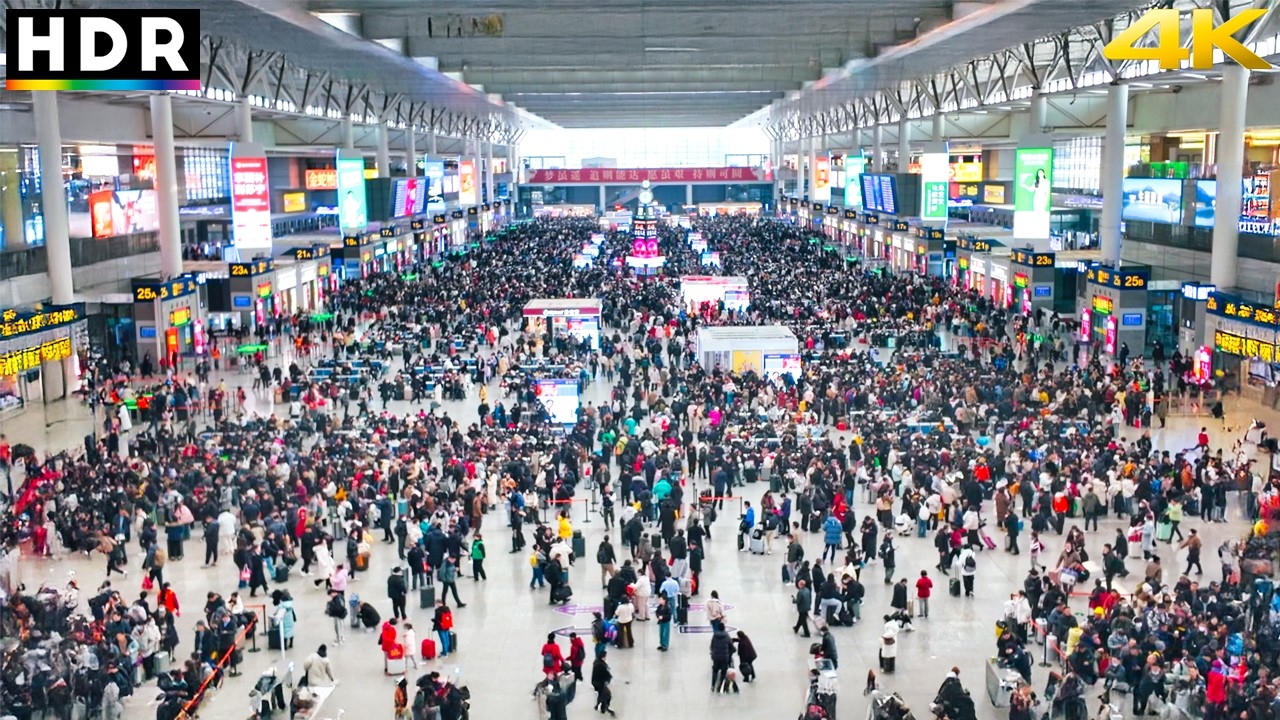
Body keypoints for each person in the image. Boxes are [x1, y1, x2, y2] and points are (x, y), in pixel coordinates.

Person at [709, 625, 736, 692]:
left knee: (715, 671)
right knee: (723, 672)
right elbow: (731, 646)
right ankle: (720, 686)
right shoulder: (727, 636)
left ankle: (712, 685)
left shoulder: (715, 636)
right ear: (724, 628)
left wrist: (713, 652)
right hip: (724, 658)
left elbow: (711, 646)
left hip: (716, 657)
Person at [592, 650, 616, 715]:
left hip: (596, 682)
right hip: (600, 683)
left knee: (603, 694)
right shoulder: (601, 665)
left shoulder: (597, 662)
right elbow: (606, 674)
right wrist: (609, 677)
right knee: (607, 694)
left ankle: (601, 707)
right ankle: (603, 708)